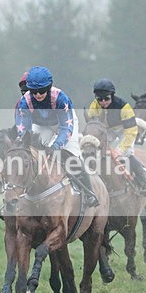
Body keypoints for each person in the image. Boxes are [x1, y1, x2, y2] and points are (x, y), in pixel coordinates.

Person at [15, 65, 99, 207]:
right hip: (42, 125)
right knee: (30, 152)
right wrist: (24, 144)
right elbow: (24, 130)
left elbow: (66, 128)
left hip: (64, 124)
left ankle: (89, 193)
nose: (38, 95)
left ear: (49, 87)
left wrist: (56, 146)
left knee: (73, 156)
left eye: (42, 91)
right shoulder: (25, 102)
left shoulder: (61, 98)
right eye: (34, 91)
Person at [85, 78, 146, 197]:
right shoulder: (94, 106)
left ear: (112, 95)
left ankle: (144, 182)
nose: (103, 102)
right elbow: (94, 126)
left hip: (125, 130)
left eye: (106, 98)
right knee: (97, 152)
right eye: (100, 99)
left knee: (126, 154)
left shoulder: (123, 106)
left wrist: (119, 150)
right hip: (107, 130)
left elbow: (131, 131)